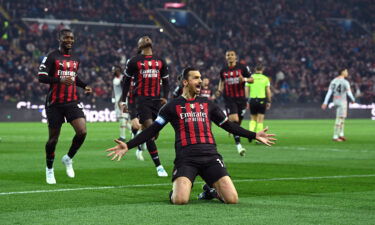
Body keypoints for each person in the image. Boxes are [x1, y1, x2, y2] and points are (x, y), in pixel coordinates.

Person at [106, 67, 276, 205]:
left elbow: (229, 126)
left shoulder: (208, 104)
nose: (200, 81)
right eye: (196, 78)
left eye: (200, 77)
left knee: (232, 199)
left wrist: (254, 135)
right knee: (180, 200)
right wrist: (128, 145)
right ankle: (178, 188)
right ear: (185, 82)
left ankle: (211, 191)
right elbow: (151, 130)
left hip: (210, 157)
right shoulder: (171, 107)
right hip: (186, 159)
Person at [38, 28, 92, 184]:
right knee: (53, 139)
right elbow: (41, 77)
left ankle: (68, 158)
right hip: (54, 103)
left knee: (82, 132)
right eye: (66, 37)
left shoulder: (75, 59)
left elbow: (74, 77)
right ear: (59, 38)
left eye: (72, 38)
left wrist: (84, 85)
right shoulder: (51, 56)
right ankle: (49, 169)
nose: (69, 40)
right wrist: (59, 80)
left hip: (72, 101)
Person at [120, 36, 169, 177]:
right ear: (139, 45)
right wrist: (124, 101)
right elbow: (126, 83)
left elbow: (166, 81)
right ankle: (159, 166)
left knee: (154, 133)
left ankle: (139, 138)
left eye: (148, 38)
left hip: (157, 102)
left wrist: (165, 96)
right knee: (151, 131)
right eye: (143, 39)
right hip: (141, 101)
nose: (147, 38)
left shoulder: (160, 61)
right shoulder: (134, 61)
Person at [216, 50, 253, 156]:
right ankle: (239, 146)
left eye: (232, 55)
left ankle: (231, 128)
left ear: (235, 57)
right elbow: (221, 81)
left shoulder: (242, 67)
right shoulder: (223, 70)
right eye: (228, 55)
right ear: (225, 57)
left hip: (241, 99)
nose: (230, 56)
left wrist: (244, 79)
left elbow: (252, 79)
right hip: (229, 99)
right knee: (235, 120)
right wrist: (219, 90)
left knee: (238, 122)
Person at [321, 68, 355, 141]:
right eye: (346, 71)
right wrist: (353, 100)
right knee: (339, 118)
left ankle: (341, 134)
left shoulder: (333, 81)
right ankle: (335, 136)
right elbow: (349, 93)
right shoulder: (345, 82)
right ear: (342, 72)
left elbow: (329, 93)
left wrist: (325, 102)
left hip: (335, 100)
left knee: (342, 118)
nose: (347, 72)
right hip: (342, 101)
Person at [245, 64, 272, 138]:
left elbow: (246, 89)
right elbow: (268, 91)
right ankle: (258, 138)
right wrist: (269, 101)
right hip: (262, 100)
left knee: (253, 118)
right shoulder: (265, 78)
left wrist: (247, 100)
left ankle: (250, 134)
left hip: (252, 99)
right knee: (260, 120)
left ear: (255, 69)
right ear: (262, 69)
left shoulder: (251, 78)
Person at [112, 65, 131, 142]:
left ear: (118, 70)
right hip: (118, 101)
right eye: (113, 70)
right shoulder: (115, 79)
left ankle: (123, 137)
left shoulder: (122, 78)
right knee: (122, 119)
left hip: (123, 101)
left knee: (123, 118)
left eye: (114, 70)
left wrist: (121, 101)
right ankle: (133, 132)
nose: (113, 71)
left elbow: (124, 90)